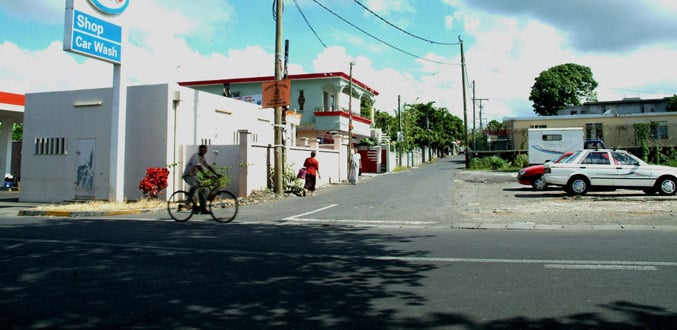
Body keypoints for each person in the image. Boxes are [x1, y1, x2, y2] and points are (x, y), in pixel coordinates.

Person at [183, 144, 220, 213]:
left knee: (203, 189)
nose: (202, 151)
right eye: (201, 150)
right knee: (195, 185)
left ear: (206, 151)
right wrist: (205, 174)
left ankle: (203, 208)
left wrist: (216, 174)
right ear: (199, 150)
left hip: (194, 176)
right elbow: (198, 166)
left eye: (204, 150)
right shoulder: (195, 156)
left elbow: (208, 166)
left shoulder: (202, 158)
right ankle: (188, 202)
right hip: (188, 175)